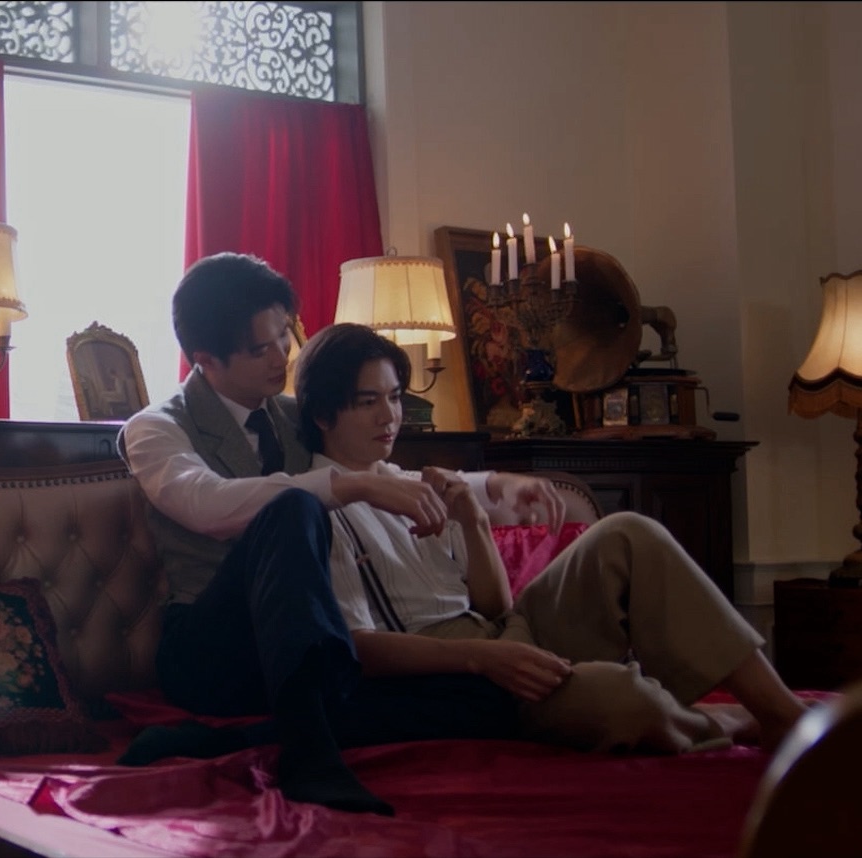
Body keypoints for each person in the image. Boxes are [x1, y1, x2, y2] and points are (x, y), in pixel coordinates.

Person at [115, 253, 570, 816]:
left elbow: (389, 473)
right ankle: (310, 759)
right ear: (205, 359)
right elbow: (204, 503)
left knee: (485, 697)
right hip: (216, 648)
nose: (282, 357)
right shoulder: (156, 428)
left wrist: (496, 486)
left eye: (284, 336)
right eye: (260, 349)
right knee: (292, 510)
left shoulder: (292, 413)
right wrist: (349, 486)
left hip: (302, 646)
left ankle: (222, 741)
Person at [293, 322, 811, 754]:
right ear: (322, 414)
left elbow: (496, 608)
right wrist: (481, 658)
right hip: (455, 676)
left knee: (628, 532)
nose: (389, 416)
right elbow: (356, 648)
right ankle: (726, 720)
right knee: (623, 701)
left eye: (394, 397)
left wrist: (473, 520)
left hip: (504, 632)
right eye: (368, 402)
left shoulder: (415, 483)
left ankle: (782, 713)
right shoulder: (315, 511)